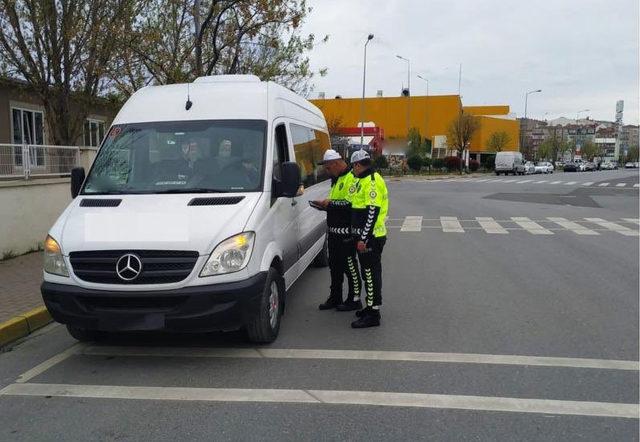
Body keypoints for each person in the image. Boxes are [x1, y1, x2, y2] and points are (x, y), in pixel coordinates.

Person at [312, 149, 362, 312]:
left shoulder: (351, 178)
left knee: (350, 267)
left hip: (346, 234)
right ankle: (335, 297)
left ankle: (354, 299)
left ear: (335, 163)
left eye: (327, 168)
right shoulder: (337, 178)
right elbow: (336, 204)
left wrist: (329, 204)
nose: (327, 171)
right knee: (335, 267)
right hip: (334, 232)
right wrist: (324, 206)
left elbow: (349, 204)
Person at [348, 149, 388, 328]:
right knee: (368, 274)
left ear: (358, 165)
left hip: (372, 238)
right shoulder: (362, 180)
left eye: (353, 166)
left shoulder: (371, 181)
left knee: (371, 275)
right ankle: (370, 306)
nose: (352, 170)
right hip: (366, 236)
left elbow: (372, 212)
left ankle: (373, 314)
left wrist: (363, 239)